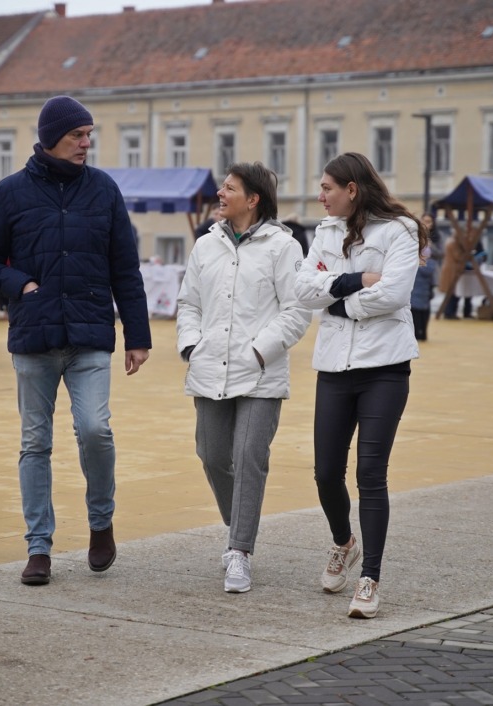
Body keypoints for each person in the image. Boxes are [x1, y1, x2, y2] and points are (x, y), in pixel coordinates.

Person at [0, 95, 152, 586]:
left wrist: (137, 336)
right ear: (52, 137)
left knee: (95, 430)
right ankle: (38, 547)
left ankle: (101, 522)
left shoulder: (104, 189)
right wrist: (22, 285)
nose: (86, 143)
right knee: (35, 442)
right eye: (77, 135)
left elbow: (125, 268)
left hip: (90, 333)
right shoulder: (9, 193)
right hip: (35, 335)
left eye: (89, 135)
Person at [294, 152, 426, 619]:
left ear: (352, 189)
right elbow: (302, 290)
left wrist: (337, 301)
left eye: (327, 188)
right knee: (326, 472)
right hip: (334, 367)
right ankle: (343, 542)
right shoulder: (325, 232)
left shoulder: (400, 231)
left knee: (371, 473)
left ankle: (370, 577)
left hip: (385, 367)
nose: (320, 196)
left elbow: (395, 294)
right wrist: (356, 280)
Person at [176, 162, 310, 593]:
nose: (220, 193)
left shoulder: (283, 247)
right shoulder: (205, 245)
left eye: (229, 188)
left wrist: (258, 350)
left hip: (260, 373)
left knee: (249, 455)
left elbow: (297, 310)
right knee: (212, 455)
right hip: (209, 366)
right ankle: (240, 523)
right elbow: (189, 303)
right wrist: (191, 345)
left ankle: (239, 550)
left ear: (253, 199)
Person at [410, 245, 437, 342]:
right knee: (425, 315)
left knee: (415, 316)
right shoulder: (432, 265)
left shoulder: (414, 264)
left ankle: (416, 334)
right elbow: (433, 282)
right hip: (425, 294)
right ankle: (424, 334)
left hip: (414, 294)